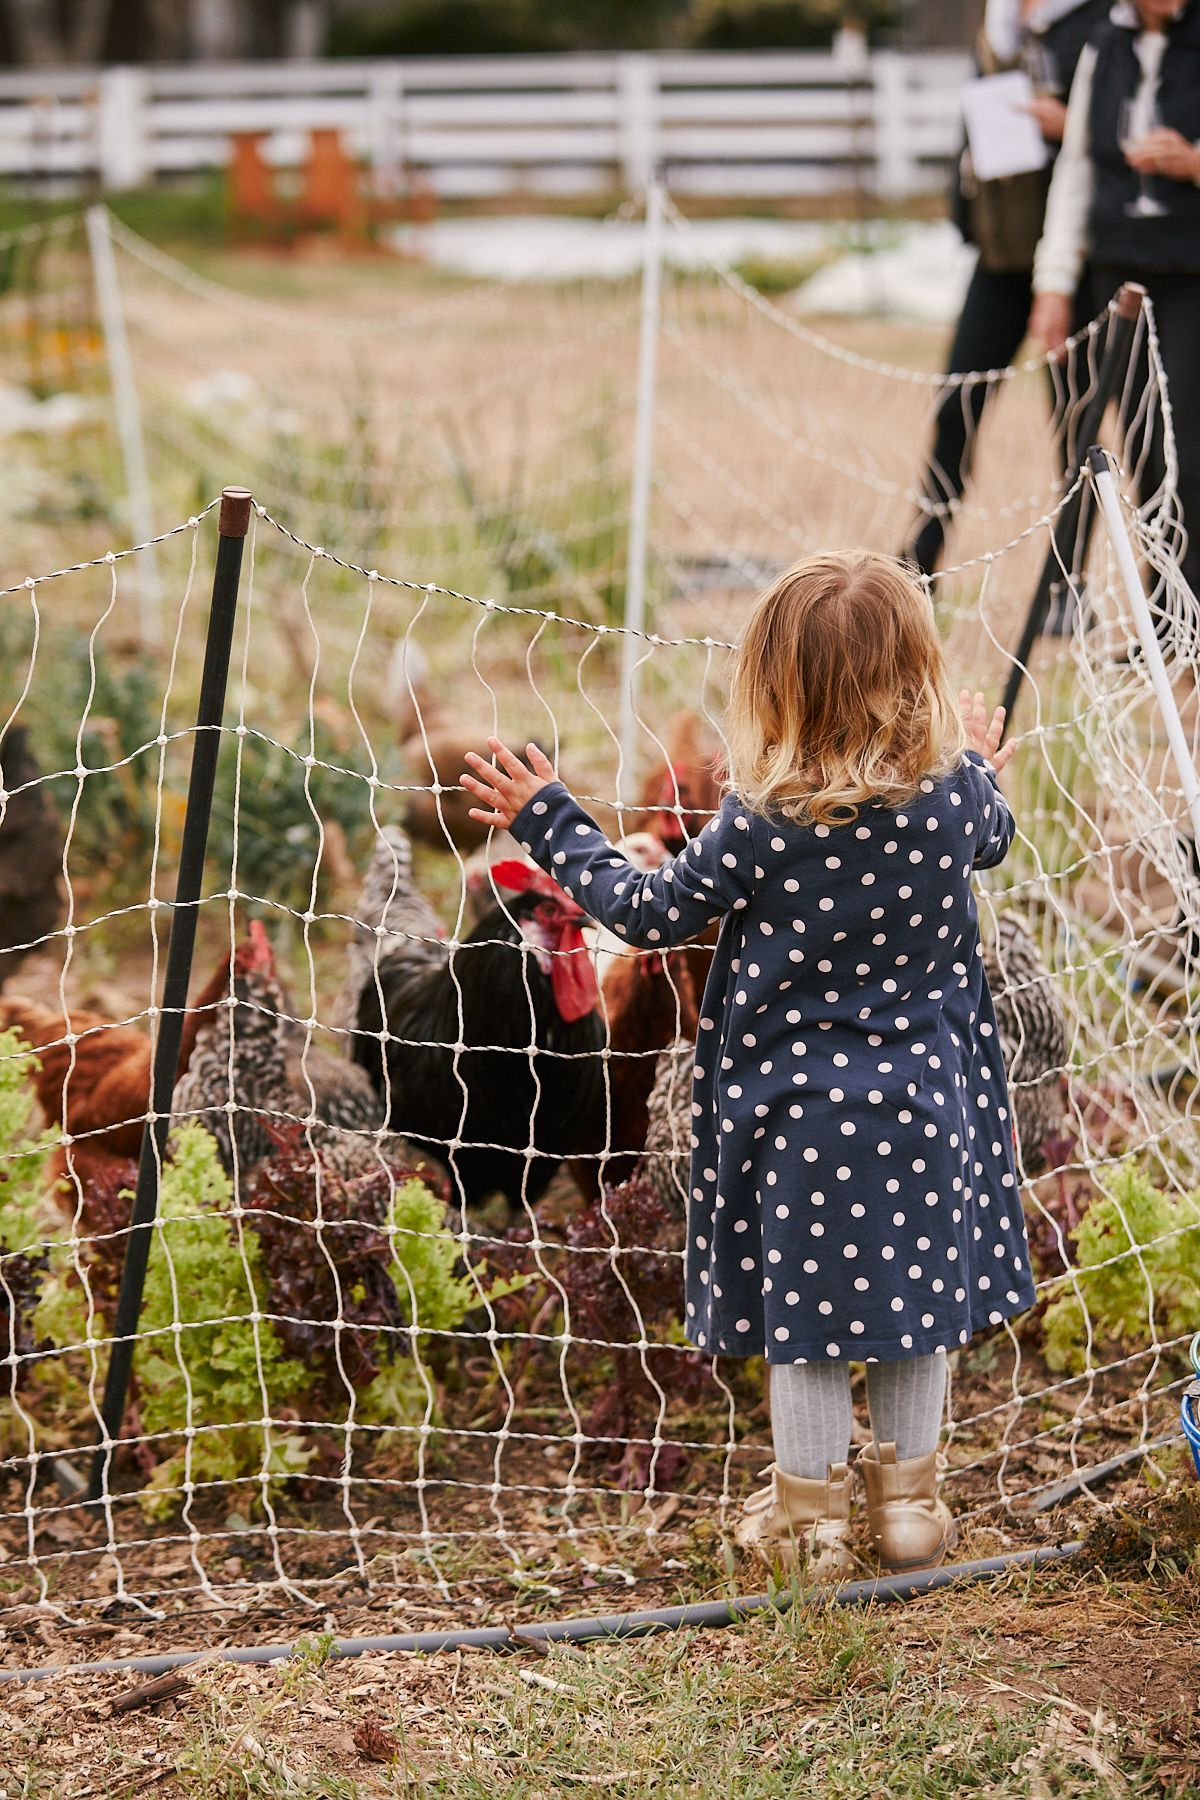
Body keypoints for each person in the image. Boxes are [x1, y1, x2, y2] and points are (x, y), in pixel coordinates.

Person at [461, 552, 1036, 1579]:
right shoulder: (949, 803)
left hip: (799, 1115)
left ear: (774, 689)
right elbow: (991, 832)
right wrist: (983, 759)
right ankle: (909, 1511)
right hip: (925, 1105)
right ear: (918, 679)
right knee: (917, 1306)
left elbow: (641, 910)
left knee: (808, 1322)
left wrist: (550, 815)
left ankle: (812, 1526)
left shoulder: (763, 826)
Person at [903, 0, 1109, 579]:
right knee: (957, 401)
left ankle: (1069, 581)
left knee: (1075, 423)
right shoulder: (997, 25)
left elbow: (1123, 123)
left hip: (1072, 258)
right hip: (1000, 253)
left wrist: (1068, 124)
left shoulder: (1098, 21)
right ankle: (922, 558)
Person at [1030, 0, 1200, 605]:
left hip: (1188, 276)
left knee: (1184, 443)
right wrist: (1052, 284)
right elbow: (1075, 171)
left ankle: (1186, 613)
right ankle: (1163, 613)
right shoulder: (1103, 45)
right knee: (1141, 444)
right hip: (1117, 278)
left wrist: (1193, 162)